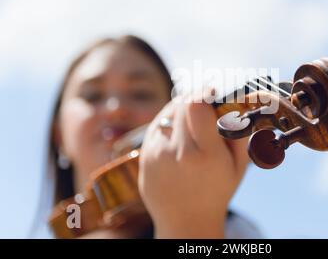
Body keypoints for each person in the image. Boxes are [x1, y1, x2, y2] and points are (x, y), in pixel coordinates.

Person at [44, 35, 262, 238]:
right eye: (92, 96)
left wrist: (191, 223)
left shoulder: (235, 233)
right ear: (59, 136)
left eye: (141, 94)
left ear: (169, 111)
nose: (116, 108)